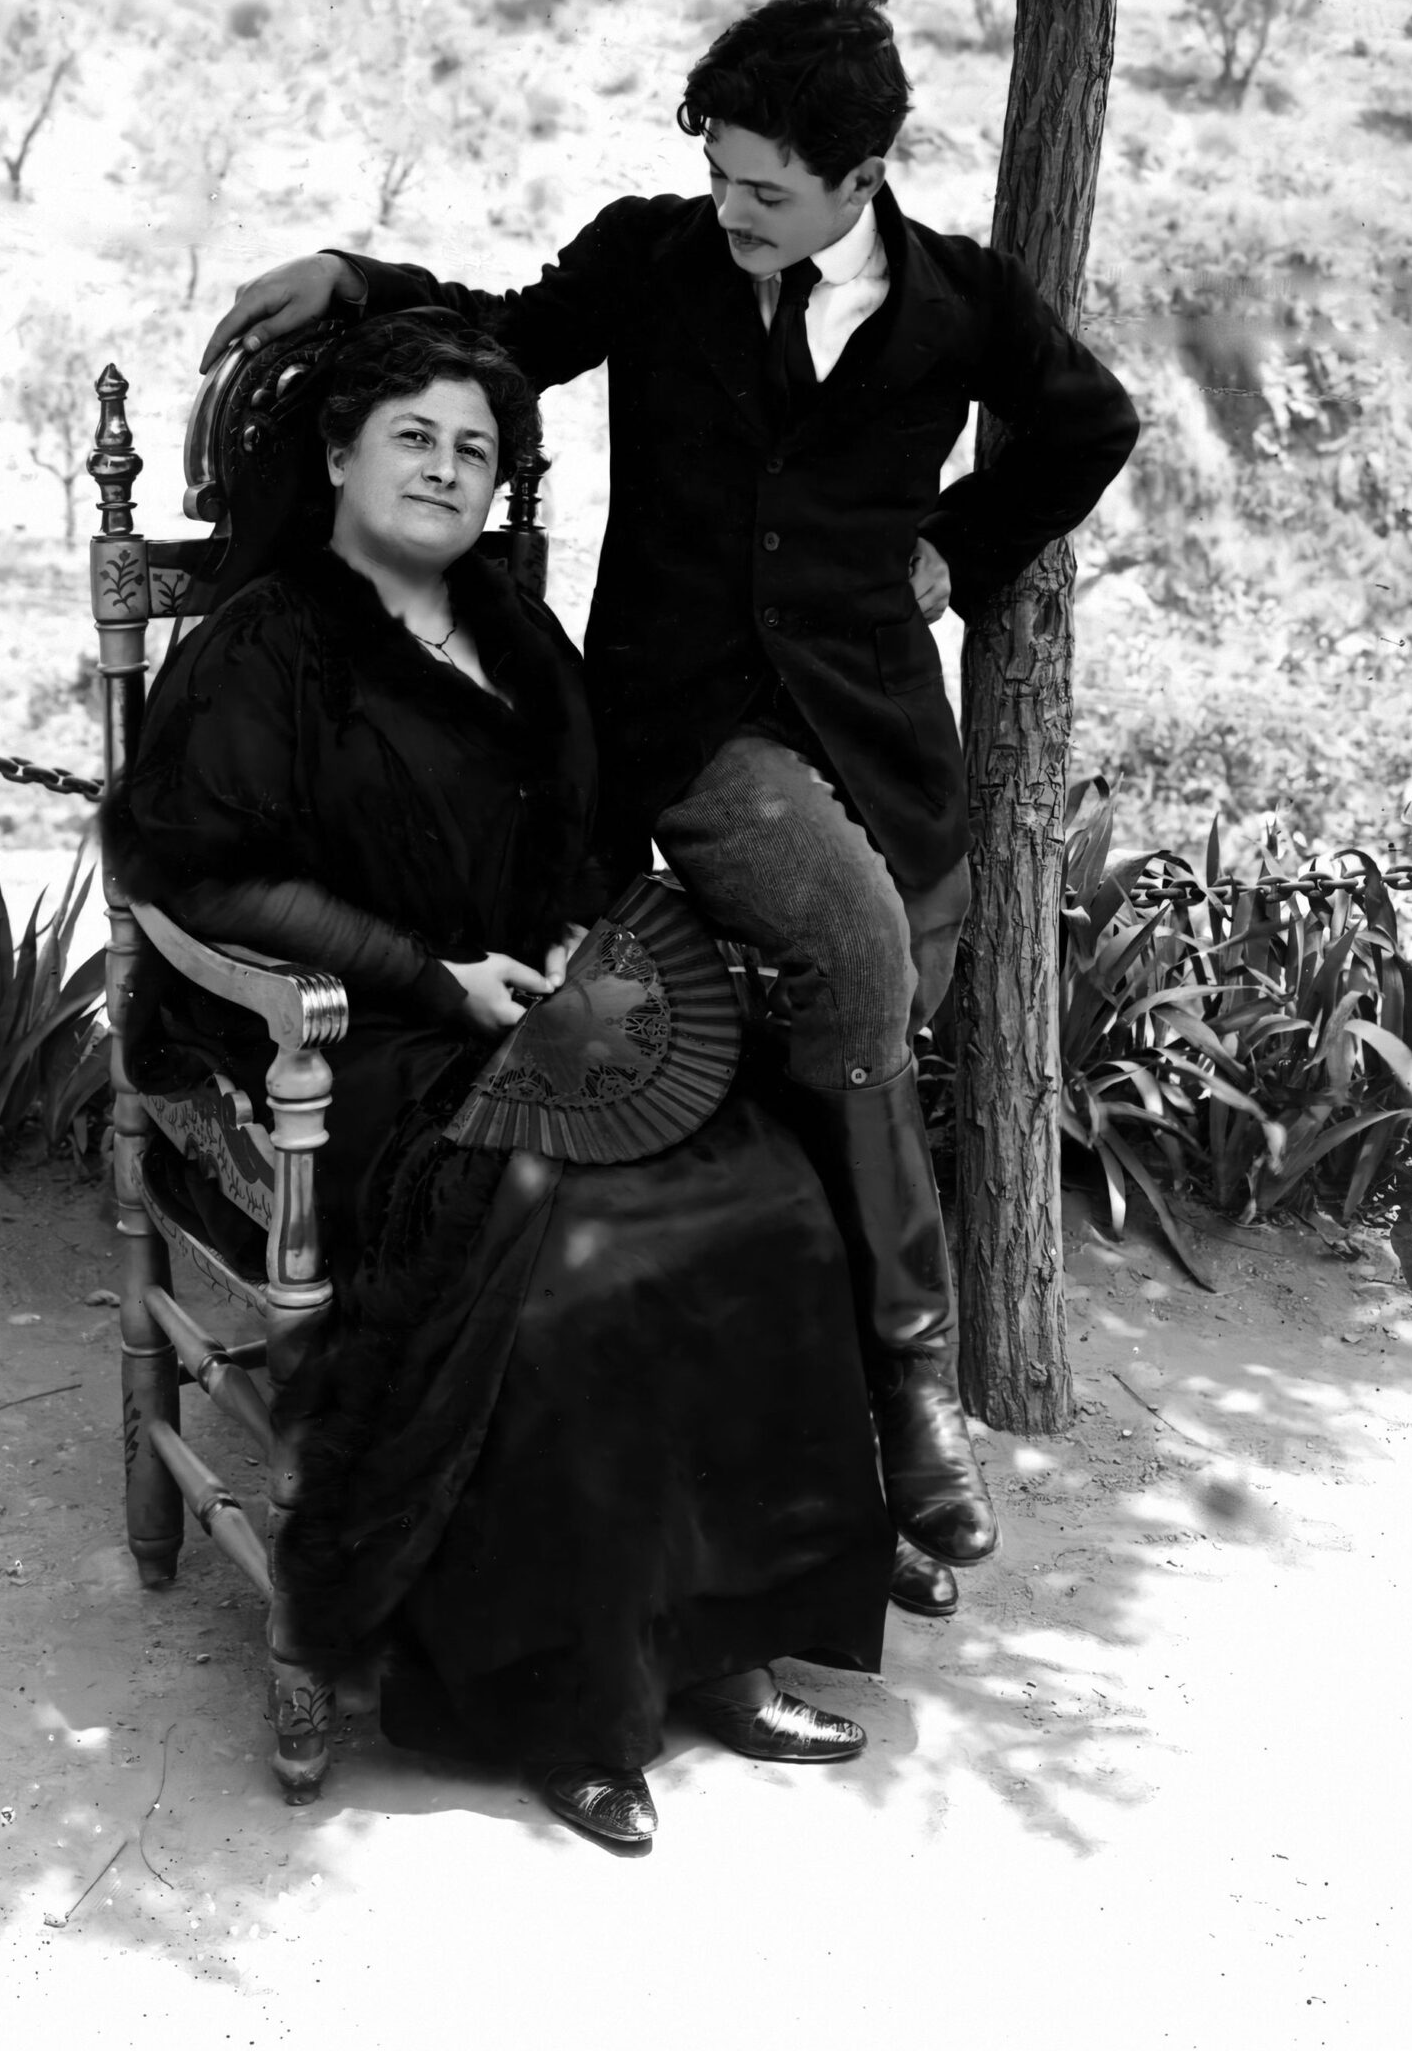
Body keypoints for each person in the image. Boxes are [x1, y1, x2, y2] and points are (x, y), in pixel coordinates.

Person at [203, 0, 1141, 1622]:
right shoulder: (657, 255)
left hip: (875, 737)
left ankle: (816, 1482)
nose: (730, 210)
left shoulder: (959, 303)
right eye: (717, 175)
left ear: (861, 177)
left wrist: (958, 547)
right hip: (685, 724)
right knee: (857, 951)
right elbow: (498, 334)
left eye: (764, 189)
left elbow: (1091, 423)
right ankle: (915, 1384)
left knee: (840, 1046)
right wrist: (356, 279)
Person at [109, 311, 894, 1850]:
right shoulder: (265, 642)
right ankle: (567, 1701)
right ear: (340, 456)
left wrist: (581, 943)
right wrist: (433, 974)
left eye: (474, 451)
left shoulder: (517, 634)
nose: (446, 470)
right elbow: (204, 878)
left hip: (522, 1009)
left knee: (764, 1198)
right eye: (413, 437)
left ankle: (718, 1644)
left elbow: (591, 844)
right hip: (332, 1037)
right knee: (574, 1254)